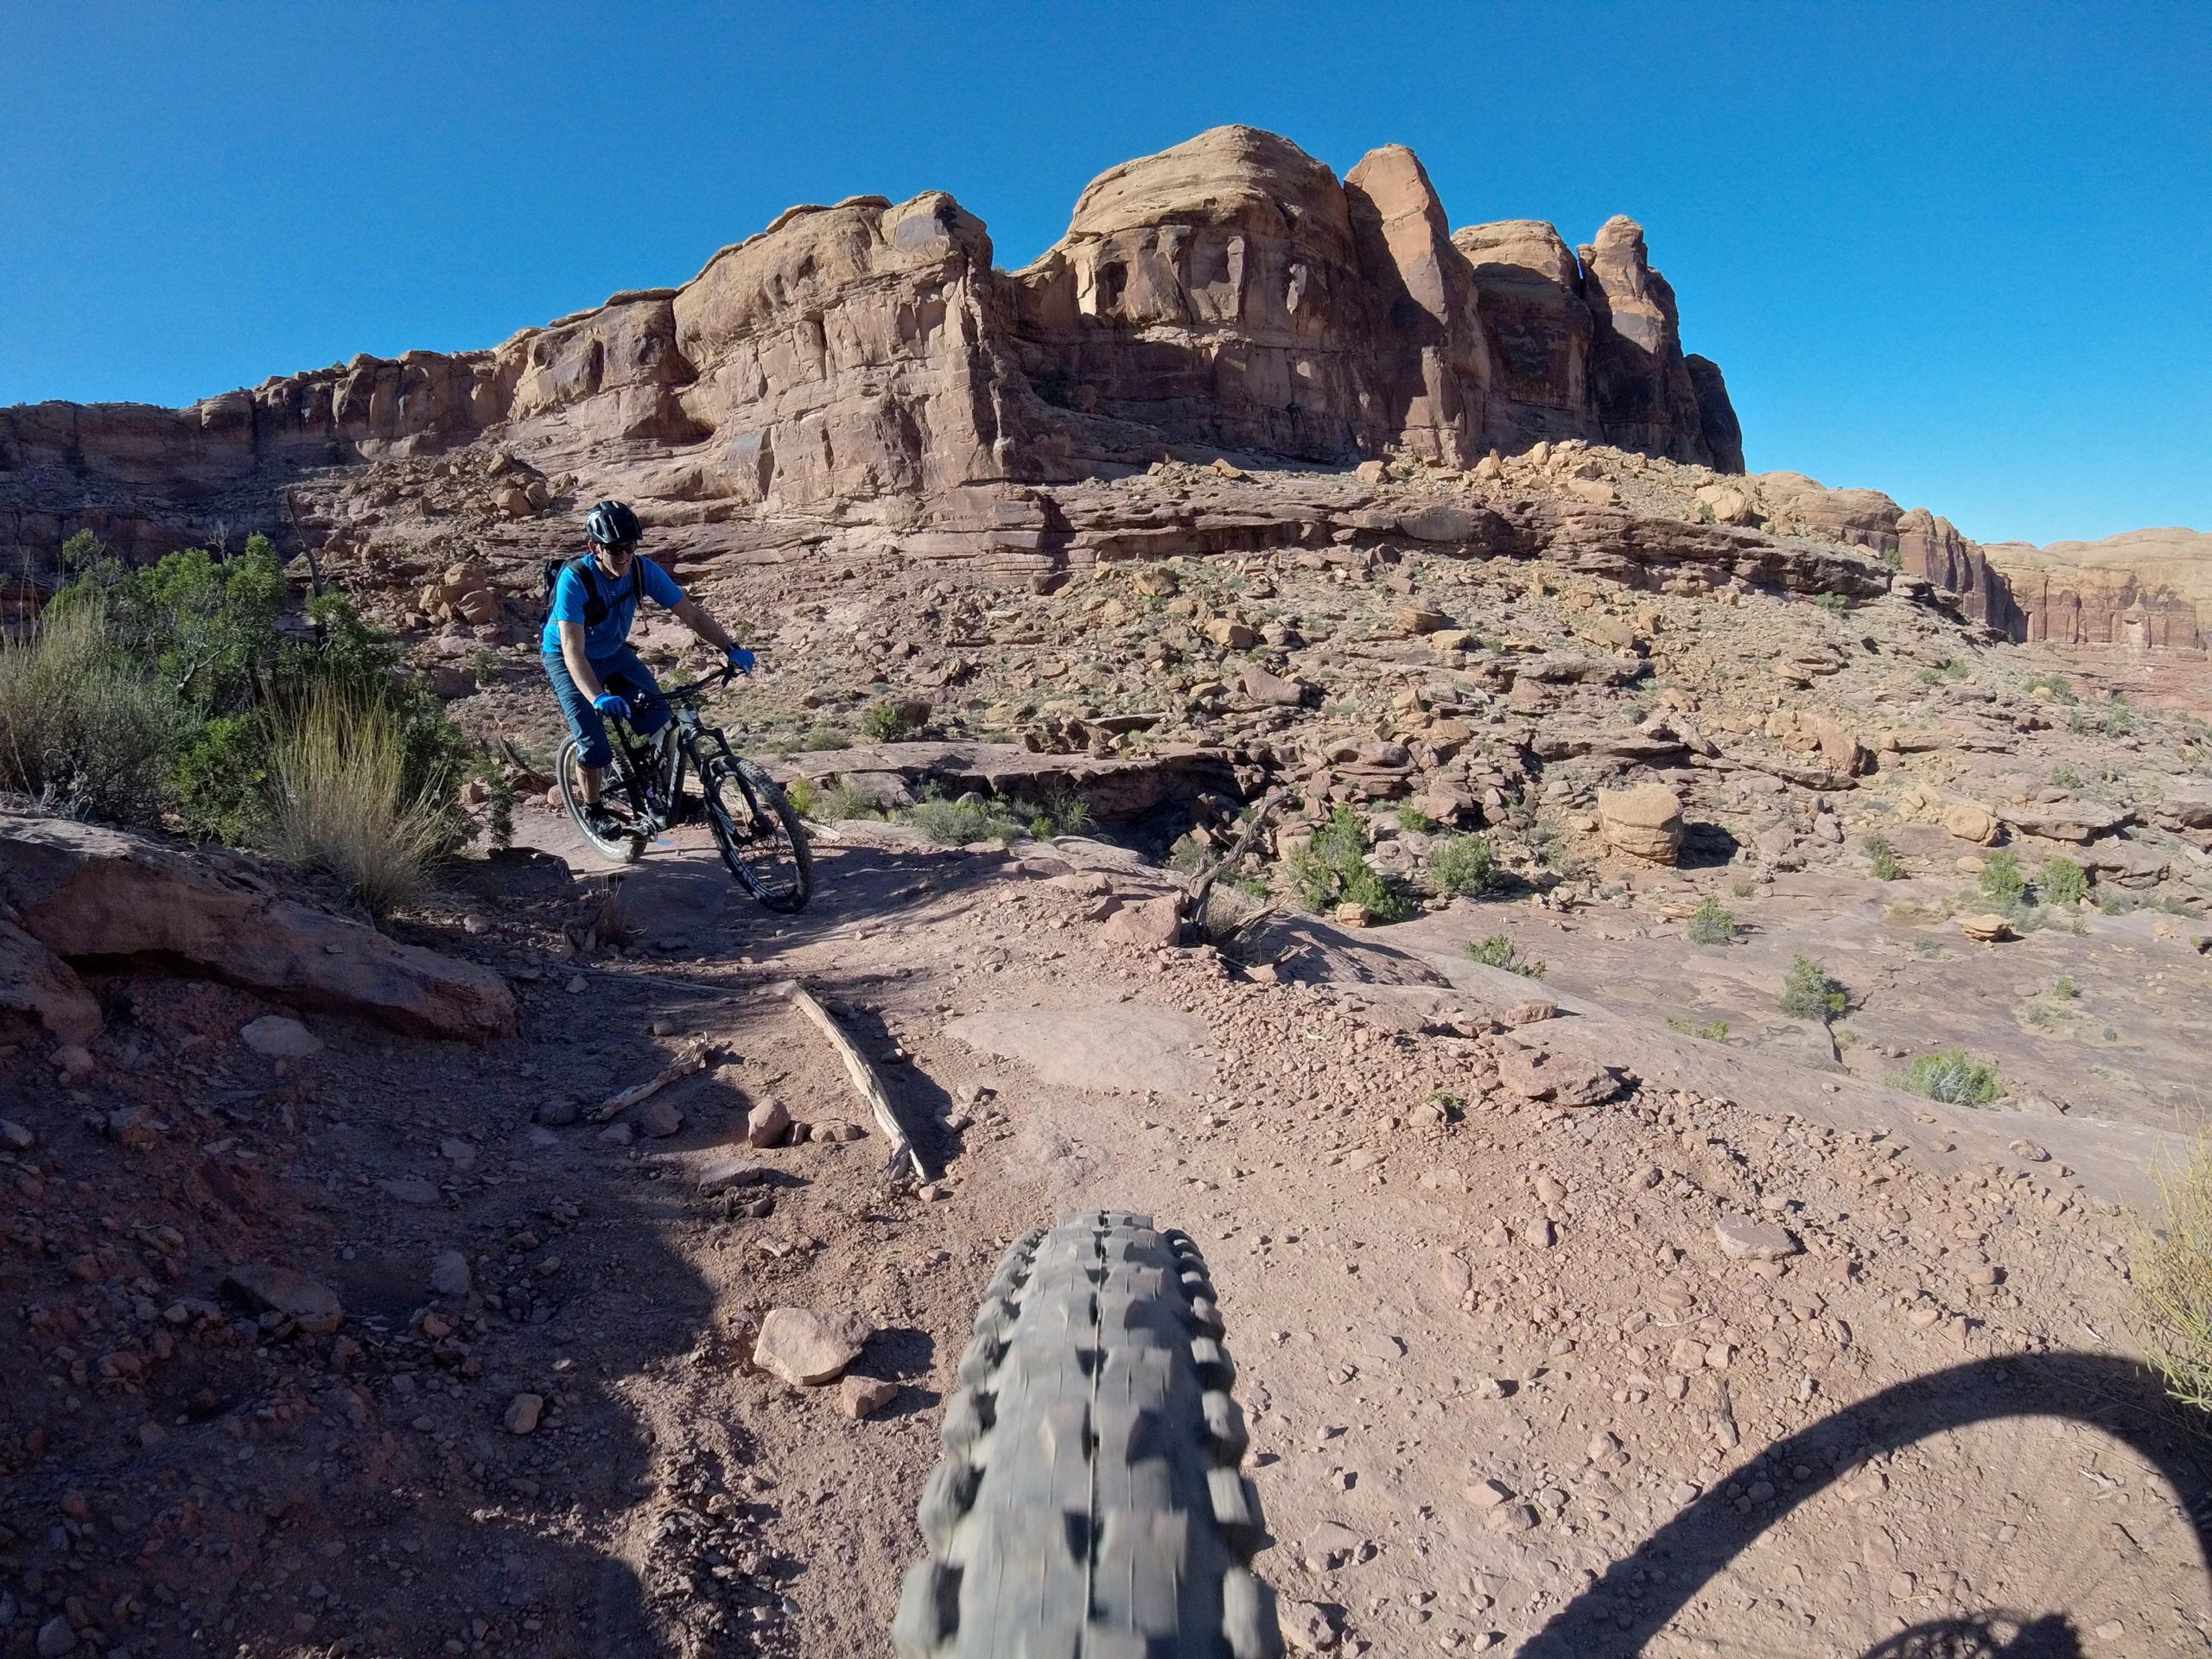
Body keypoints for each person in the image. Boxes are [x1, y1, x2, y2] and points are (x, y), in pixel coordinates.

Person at [541, 499, 753, 836]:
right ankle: (594, 808)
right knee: (594, 744)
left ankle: (665, 795)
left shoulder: (642, 571)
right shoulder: (575, 580)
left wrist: (731, 647)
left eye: (629, 547)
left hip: (613, 652)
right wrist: (597, 697)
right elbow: (571, 650)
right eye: (614, 549)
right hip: (569, 657)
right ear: (594, 547)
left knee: (660, 722)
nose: (623, 556)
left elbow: (692, 614)